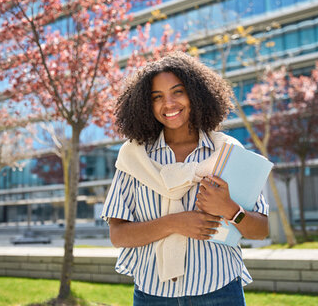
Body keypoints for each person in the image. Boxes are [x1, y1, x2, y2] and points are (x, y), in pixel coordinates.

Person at [102, 52, 269, 305]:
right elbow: (118, 235)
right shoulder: (134, 157)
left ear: (195, 94)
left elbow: (261, 230)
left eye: (177, 92)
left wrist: (230, 209)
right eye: (157, 97)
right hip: (152, 295)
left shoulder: (227, 151)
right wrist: (174, 223)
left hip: (220, 291)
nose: (168, 103)